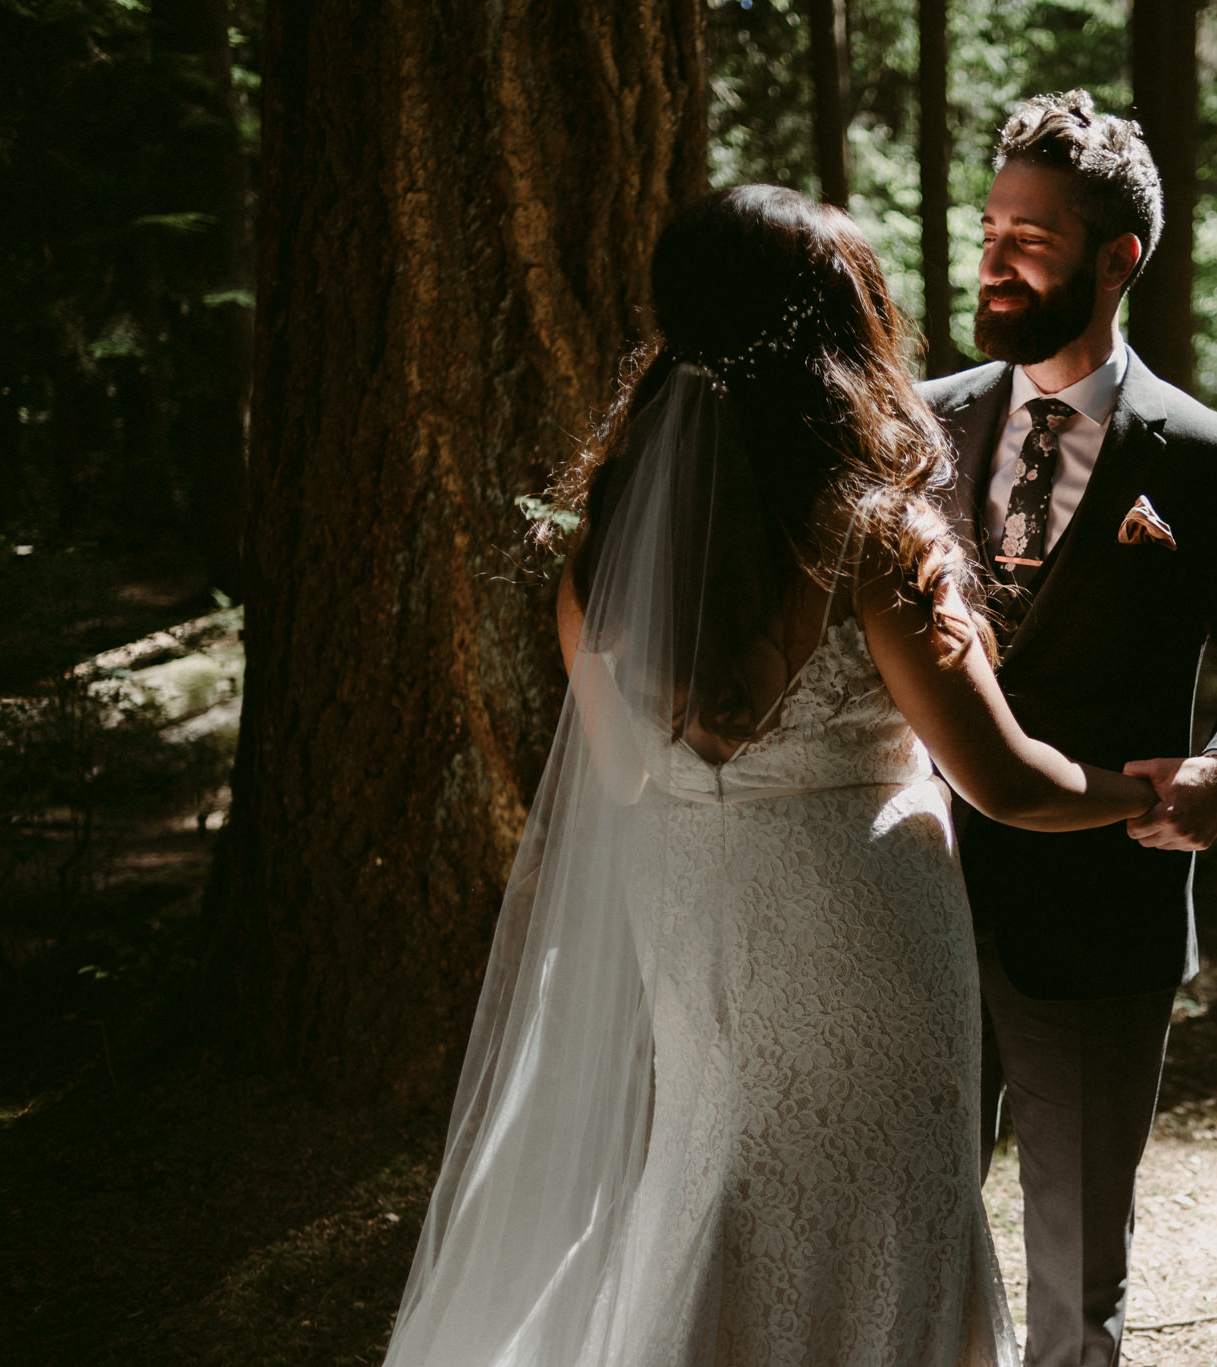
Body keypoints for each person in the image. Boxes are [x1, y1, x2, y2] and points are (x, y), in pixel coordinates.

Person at [380, 185, 1161, 1367]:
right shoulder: (869, 537)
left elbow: (623, 780)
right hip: (860, 933)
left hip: (694, 918)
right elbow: (1006, 781)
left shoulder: (607, 548)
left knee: (718, 1189)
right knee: (880, 1203)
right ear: (841, 334)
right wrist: (1144, 790)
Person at [918, 91, 1217, 1367]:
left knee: (1074, 1288)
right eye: (990, 228)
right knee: (901, 1239)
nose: (992, 258)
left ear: (1115, 259)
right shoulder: (915, 425)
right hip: (901, 898)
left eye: (1028, 237)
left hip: (1098, 920)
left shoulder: (1205, 460)